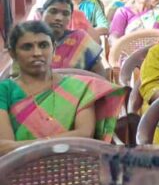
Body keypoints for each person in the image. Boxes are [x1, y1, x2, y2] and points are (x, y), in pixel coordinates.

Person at [0, 21, 127, 154]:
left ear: (54, 49)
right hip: (19, 165)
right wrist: (55, 142)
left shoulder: (79, 87)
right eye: (27, 47)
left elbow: (84, 135)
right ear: (12, 53)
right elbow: (5, 148)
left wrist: (32, 146)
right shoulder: (4, 90)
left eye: (43, 45)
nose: (37, 53)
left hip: (75, 162)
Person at [41, 0, 106, 74]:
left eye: (65, 14)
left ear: (70, 18)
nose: (59, 18)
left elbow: (100, 74)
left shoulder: (80, 39)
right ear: (41, 13)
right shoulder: (31, 39)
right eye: (53, 12)